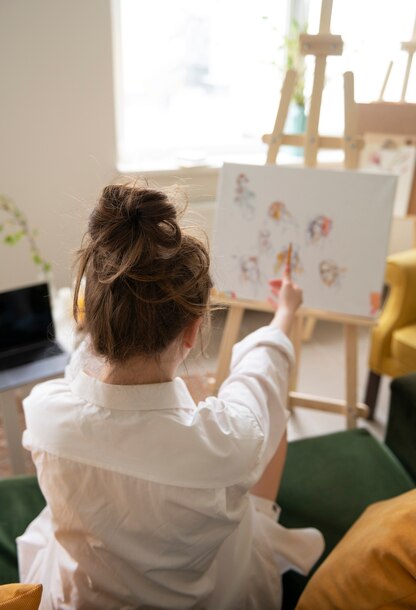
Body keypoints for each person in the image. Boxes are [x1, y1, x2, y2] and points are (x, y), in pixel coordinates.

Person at [17, 183, 324, 609]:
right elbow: (261, 377)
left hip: (83, 592)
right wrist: (285, 314)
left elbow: (82, 370)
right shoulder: (226, 444)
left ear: (94, 319)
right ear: (195, 329)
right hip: (210, 593)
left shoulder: (45, 413)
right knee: (274, 422)